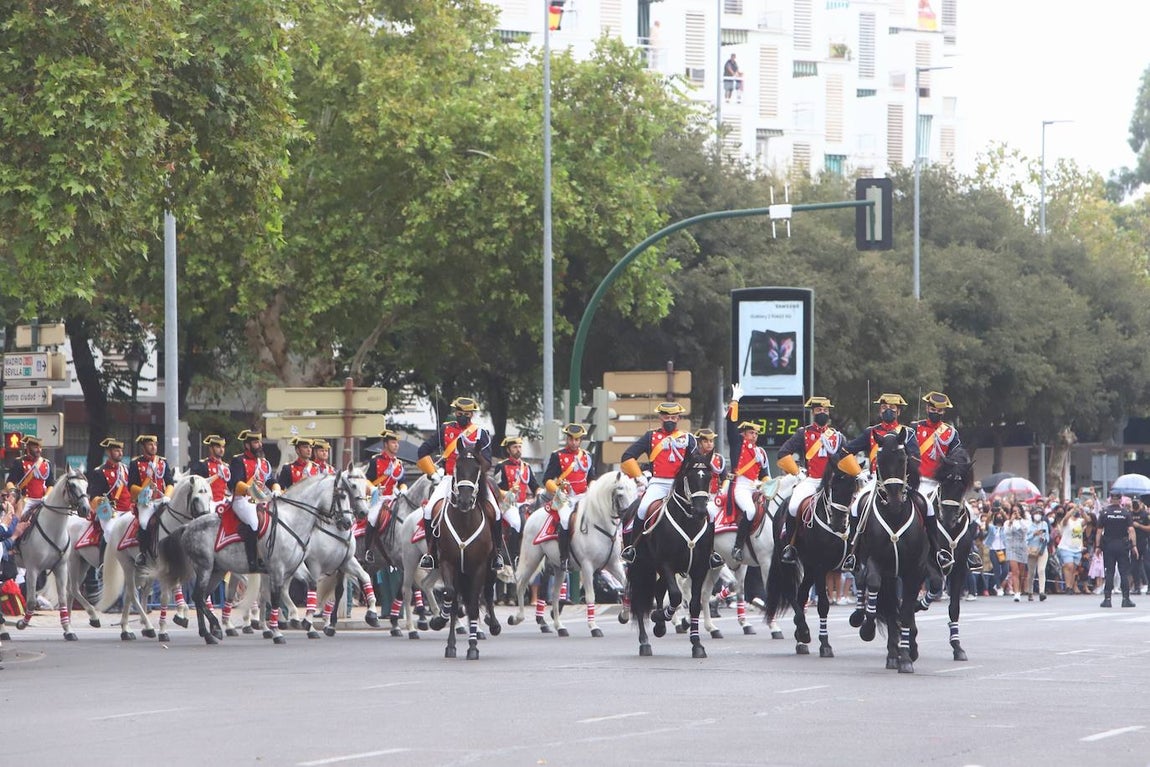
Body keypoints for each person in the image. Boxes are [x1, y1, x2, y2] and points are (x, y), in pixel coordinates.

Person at [618, 402, 718, 568]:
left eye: (673, 417)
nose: (670, 419)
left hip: (681, 485)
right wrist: (639, 476)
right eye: (666, 416)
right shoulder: (650, 437)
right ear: (660, 417)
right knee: (642, 510)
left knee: (712, 513)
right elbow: (627, 456)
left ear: (678, 418)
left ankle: (711, 552)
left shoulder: (688, 438)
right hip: (658, 483)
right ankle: (632, 549)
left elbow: (697, 461)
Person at [416, 397, 501, 571]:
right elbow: (422, 451)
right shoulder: (445, 429)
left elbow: (487, 463)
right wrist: (433, 473)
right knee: (428, 510)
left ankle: (496, 554)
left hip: (474, 480)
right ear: (456, 413)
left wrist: (473, 458)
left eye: (467, 414)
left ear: (472, 415)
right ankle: (431, 553)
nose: (463, 416)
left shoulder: (481, 433)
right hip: (449, 478)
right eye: (460, 413)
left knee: (497, 512)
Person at [841, 394, 920, 571]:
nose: (888, 411)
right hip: (876, 480)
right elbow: (847, 450)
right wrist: (856, 471)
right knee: (855, 508)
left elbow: (916, 457)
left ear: (898, 411)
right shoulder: (871, 432)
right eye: (884, 408)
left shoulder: (907, 432)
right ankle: (852, 553)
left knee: (926, 506)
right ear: (879, 410)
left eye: (892, 408)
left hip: (901, 481)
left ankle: (935, 550)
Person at [776, 395, 856, 565]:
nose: (822, 413)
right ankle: (791, 546)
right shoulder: (803, 433)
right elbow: (784, 452)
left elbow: (847, 456)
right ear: (813, 412)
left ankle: (852, 548)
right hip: (812, 480)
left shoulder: (837, 436)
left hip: (833, 482)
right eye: (819, 410)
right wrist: (796, 471)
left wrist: (855, 471)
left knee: (853, 507)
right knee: (793, 505)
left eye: (825, 410)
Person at [911, 391, 976, 571]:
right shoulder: (914, 429)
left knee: (969, 512)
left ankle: (970, 552)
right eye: (933, 409)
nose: (936, 412)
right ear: (927, 408)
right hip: (920, 481)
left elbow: (958, 454)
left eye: (940, 410)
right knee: (921, 510)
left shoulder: (950, 432)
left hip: (941, 482)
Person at [721, 385, 774, 563]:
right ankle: (737, 545)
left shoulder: (761, 453)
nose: (754, 436)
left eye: (756, 433)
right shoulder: (738, 444)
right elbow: (730, 423)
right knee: (750, 511)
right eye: (751, 432)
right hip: (739, 485)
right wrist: (735, 400)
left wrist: (768, 486)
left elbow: (765, 475)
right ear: (743, 434)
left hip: (754, 487)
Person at [542, 424, 595, 572]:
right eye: (571, 439)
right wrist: (558, 490)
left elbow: (591, 478)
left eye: (577, 440)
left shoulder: (587, 456)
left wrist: (592, 489)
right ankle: (564, 557)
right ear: (567, 439)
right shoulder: (557, 455)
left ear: (581, 440)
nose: (574, 443)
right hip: (565, 497)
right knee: (565, 520)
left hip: (583, 496)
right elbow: (546, 480)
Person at [227, 429, 279, 573]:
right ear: (247, 445)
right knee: (254, 522)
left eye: (260, 441)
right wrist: (250, 490)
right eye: (256, 442)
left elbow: (271, 480)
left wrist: (276, 489)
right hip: (242, 500)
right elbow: (235, 484)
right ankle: (254, 560)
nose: (260, 445)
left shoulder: (264, 463)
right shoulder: (238, 461)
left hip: (261, 499)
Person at [128, 434, 175, 566]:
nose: (153, 447)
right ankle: (144, 553)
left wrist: (167, 496)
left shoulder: (163, 462)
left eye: (155, 444)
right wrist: (144, 492)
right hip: (145, 502)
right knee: (143, 523)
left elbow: (170, 482)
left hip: (161, 499)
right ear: (144, 446)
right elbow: (131, 486)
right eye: (150, 444)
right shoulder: (135, 463)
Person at [363, 430, 407, 560]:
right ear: (386, 444)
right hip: (379, 497)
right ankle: (368, 550)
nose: (396, 445)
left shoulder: (399, 463)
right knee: (372, 518)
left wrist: (403, 490)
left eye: (397, 443)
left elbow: (402, 482)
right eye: (393, 442)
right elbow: (367, 479)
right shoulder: (376, 460)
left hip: (393, 497)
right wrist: (373, 489)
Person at [1095, 489, 1138, 608]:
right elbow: (1131, 530)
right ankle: (1126, 599)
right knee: (1124, 572)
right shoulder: (1126, 513)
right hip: (1122, 545)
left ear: (1110, 499)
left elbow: (1099, 532)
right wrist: (1134, 546)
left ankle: (1107, 599)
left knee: (1110, 572)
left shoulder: (1104, 513)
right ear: (1120, 499)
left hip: (1108, 545)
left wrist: (1097, 546)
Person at [86, 438, 131, 546]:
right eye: (116, 450)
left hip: (128, 509)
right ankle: (103, 561)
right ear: (108, 452)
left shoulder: (126, 469)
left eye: (121, 450)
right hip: (110, 511)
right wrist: (102, 500)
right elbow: (94, 497)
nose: (120, 453)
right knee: (110, 532)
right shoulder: (100, 472)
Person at [5, 434, 55, 518]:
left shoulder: (46, 463)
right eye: (35, 447)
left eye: (40, 447)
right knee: (16, 519)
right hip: (26, 500)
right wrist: (13, 491)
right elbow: (10, 481)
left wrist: (46, 496)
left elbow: (50, 484)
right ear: (28, 448)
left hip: (42, 499)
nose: (39, 450)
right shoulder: (19, 462)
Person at [694, 429, 727, 523]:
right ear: (699, 443)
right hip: (698, 496)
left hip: (715, 496)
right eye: (705, 441)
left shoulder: (719, 459)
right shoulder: (693, 459)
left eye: (711, 441)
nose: (709, 444)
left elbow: (725, 478)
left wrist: (722, 490)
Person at [190, 434, 231, 511]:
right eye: (218, 447)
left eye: (223, 447)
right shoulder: (203, 465)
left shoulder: (226, 467)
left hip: (224, 502)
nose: (221, 450)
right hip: (208, 503)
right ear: (211, 449)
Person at [1057, 506, 1086, 595]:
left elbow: (1088, 520)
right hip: (1066, 547)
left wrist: (1082, 511)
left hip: (1077, 548)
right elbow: (1065, 519)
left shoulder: (1080, 521)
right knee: (1068, 566)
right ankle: (1068, 587)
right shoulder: (1067, 521)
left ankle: (1071, 586)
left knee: (1073, 568)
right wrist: (1072, 509)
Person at [1004, 504, 1029, 602]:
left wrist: (1020, 519)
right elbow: (1006, 533)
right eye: (1014, 511)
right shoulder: (1007, 522)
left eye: (1017, 511)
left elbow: (1025, 530)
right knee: (1015, 571)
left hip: (1022, 546)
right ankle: (1016, 593)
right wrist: (1011, 521)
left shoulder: (1025, 522)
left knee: (1021, 573)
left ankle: (1020, 588)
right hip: (1011, 547)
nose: (1016, 513)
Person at [1025, 505, 1051, 601]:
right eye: (1036, 513)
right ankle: (1030, 591)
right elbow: (1025, 539)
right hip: (1032, 549)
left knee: (1041, 570)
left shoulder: (1044, 524)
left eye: (1040, 514)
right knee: (1031, 572)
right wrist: (1034, 534)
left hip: (1042, 549)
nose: (1038, 515)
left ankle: (1041, 591)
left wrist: (1043, 538)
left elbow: (1048, 537)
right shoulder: (1029, 525)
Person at [1133, 499, 1150, 595]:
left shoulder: (1144, 514)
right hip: (1134, 543)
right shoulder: (1129, 514)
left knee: (1147, 565)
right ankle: (1136, 587)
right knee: (1135, 566)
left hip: (1144, 541)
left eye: (1136, 503)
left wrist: (1139, 525)